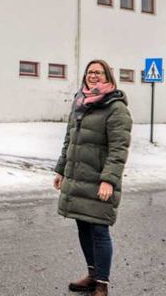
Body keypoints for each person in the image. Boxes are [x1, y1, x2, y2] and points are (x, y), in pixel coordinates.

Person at [53, 59, 132, 296]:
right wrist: (61, 169)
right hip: (77, 177)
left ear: (108, 76)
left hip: (99, 181)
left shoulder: (116, 108)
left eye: (98, 72)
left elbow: (119, 149)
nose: (93, 76)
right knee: (83, 226)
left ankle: (102, 284)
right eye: (90, 72)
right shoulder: (80, 102)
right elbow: (70, 140)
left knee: (99, 230)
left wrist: (109, 179)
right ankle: (92, 273)